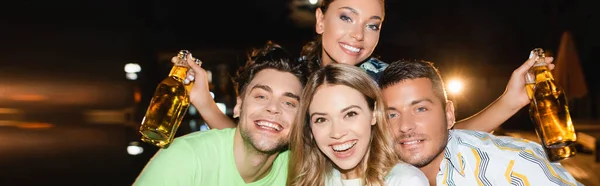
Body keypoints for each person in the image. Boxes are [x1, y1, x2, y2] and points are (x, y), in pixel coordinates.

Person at [184, 0, 553, 139]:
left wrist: (510, 101)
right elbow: (250, 140)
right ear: (319, 19)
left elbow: (442, 139)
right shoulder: (289, 80)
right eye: (347, 17)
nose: (358, 35)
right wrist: (203, 101)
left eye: (373, 24)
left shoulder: (389, 81)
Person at [378, 59, 582, 186]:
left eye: (420, 109)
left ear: (449, 114)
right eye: (392, 115)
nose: (405, 126)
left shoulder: (513, 166)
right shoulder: (379, 174)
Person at [133, 42, 308, 185]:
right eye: (261, 96)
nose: (273, 108)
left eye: (289, 103)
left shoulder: (299, 173)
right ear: (239, 106)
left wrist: (205, 103)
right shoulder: (185, 159)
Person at [287, 64, 428, 186]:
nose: (337, 133)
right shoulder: (309, 180)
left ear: (374, 114)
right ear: (310, 128)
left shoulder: (405, 181)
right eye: (321, 119)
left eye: (350, 114)